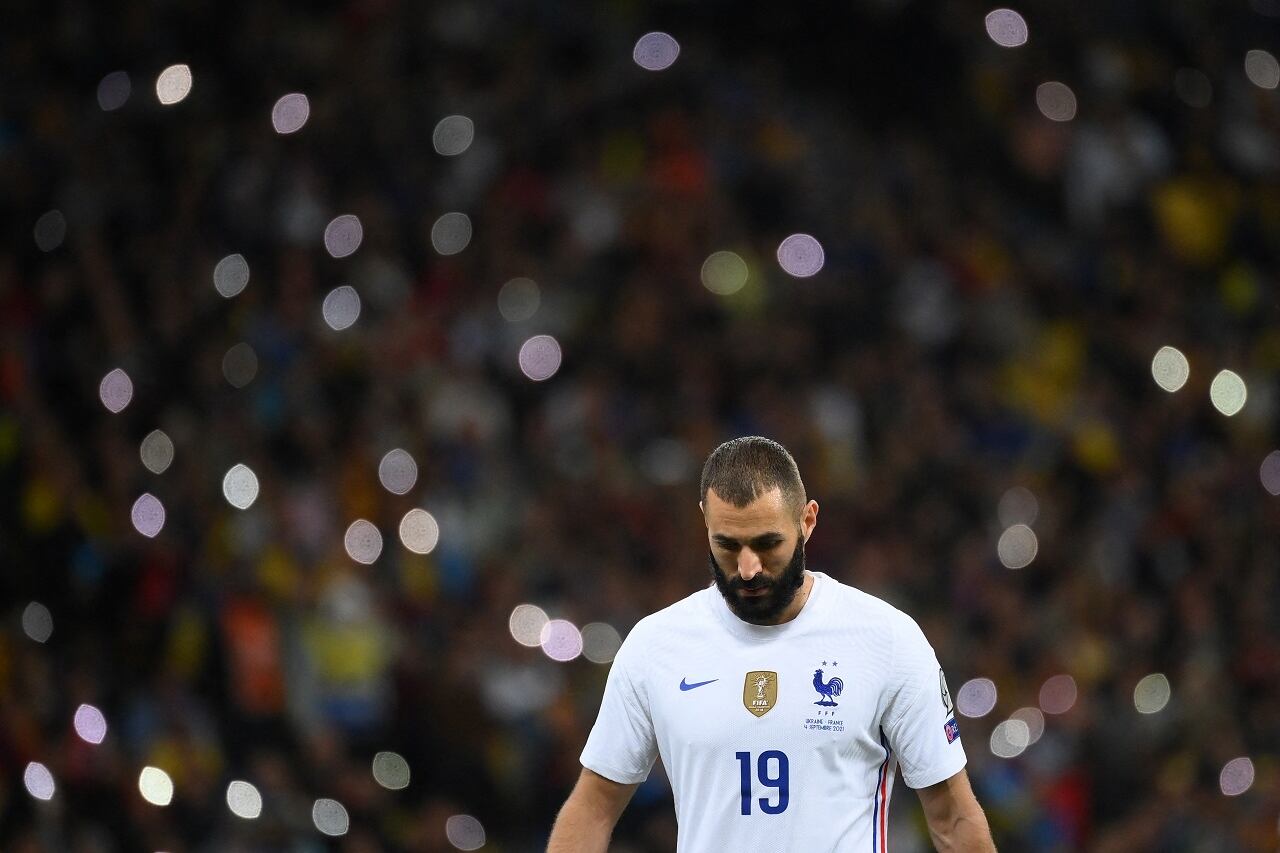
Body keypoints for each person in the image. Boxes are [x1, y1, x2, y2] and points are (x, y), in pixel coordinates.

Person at [546, 436, 995, 852]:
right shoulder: (655, 646)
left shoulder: (886, 639)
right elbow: (592, 809)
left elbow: (953, 818)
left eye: (767, 545)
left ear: (808, 521)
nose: (747, 568)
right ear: (704, 521)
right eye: (728, 545)